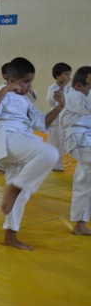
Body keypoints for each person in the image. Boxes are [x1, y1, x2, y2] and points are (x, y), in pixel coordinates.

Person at [0, 57, 63, 250]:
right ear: (12, 80)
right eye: (26, 82)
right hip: (7, 136)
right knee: (49, 153)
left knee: (23, 194)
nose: (29, 86)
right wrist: (6, 89)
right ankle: (15, 187)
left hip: (22, 138)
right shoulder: (1, 94)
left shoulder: (25, 101)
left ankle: (10, 235)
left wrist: (60, 107)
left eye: (30, 82)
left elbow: (42, 122)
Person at [59, 66, 91, 235]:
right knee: (84, 181)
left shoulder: (82, 96)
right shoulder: (73, 96)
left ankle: (80, 222)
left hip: (86, 140)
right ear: (78, 85)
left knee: (84, 181)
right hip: (79, 140)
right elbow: (88, 107)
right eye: (89, 86)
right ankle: (80, 223)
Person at [46, 62, 72, 171]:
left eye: (69, 74)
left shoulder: (70, 89)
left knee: (63, 143)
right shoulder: (53, 88)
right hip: (56, 119)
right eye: (66, 74)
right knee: (55, 142)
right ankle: (54, 165)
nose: (68, 76)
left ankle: (59, 164)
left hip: (66, 119)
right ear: (57, 75)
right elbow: (51, 101)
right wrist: (62, 86)